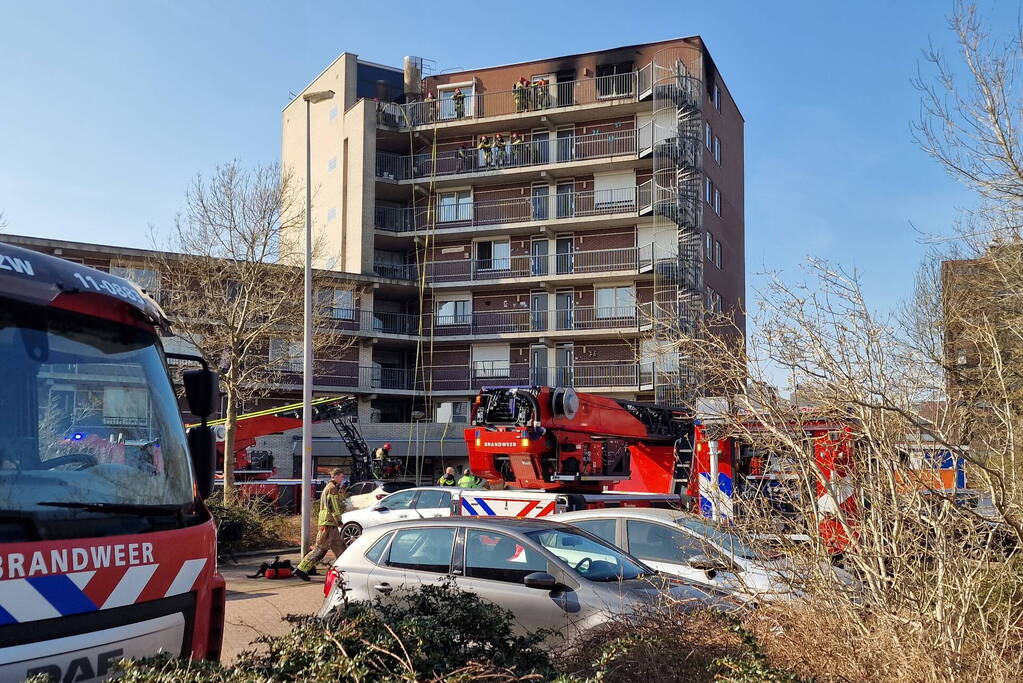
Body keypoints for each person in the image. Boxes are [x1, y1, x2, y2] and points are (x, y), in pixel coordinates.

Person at [295, 468, 347, 581]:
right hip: (330, 523)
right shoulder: (332, 489)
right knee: (337, 548)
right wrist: (339, 521)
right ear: (335, 476)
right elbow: (333, 506)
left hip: (326, 522)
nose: (342, 479)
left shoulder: (329, 488)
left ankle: (302, 569)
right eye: (341, 476)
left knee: (322, 549)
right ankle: (343, 571)